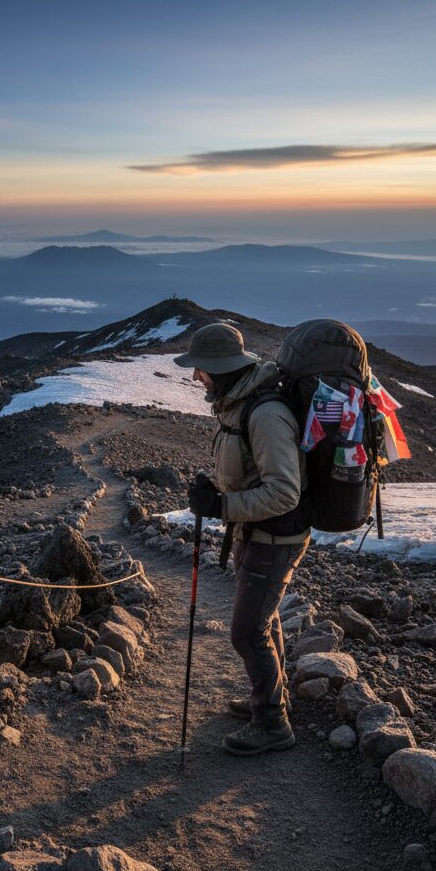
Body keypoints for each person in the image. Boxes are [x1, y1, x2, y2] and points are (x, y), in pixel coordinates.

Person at [173, 322, 310, 756]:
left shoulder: (265, 414)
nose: (197, 377)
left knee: (246, 632)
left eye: (201, 370)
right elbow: (251, 473)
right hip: (258, 534)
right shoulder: (239, 403)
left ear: (222, 367)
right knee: (261, 622)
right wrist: (218, 494)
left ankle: (272, 725)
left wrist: (220, 508)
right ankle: (270, 699)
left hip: (276, 537)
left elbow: (284, 492)